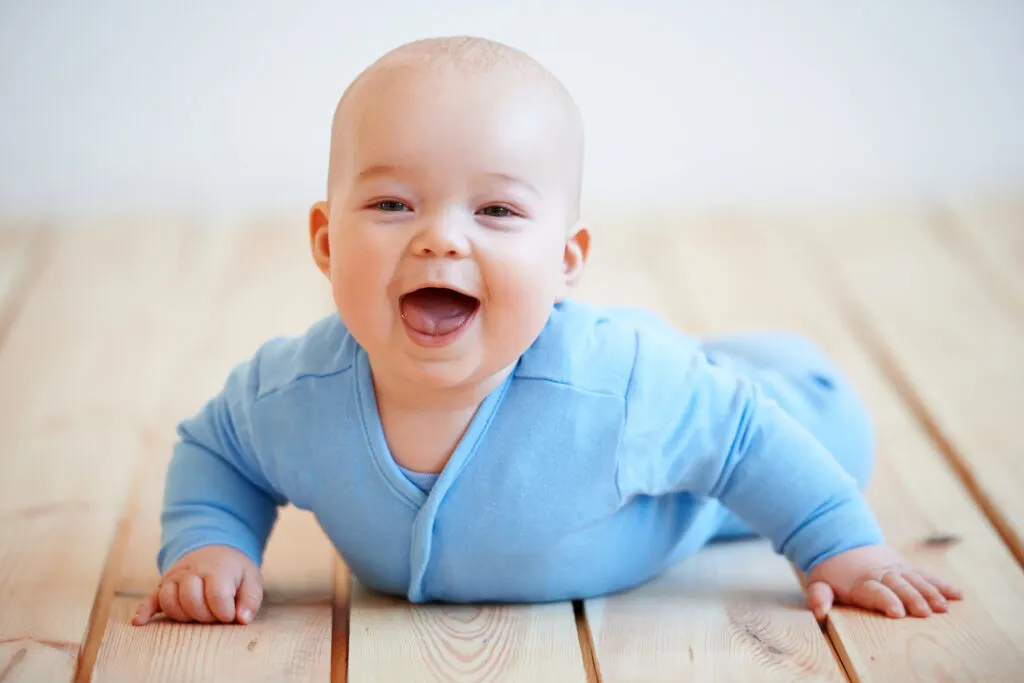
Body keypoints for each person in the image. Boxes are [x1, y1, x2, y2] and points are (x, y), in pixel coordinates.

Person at [133, 36, 962, 627]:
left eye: (495, 210)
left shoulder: (617, 388)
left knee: (813, 425)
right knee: (693, 383)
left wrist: (841, 547)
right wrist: (210, 542)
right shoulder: (293, 395)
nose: (442, 238)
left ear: (566, 260)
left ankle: (746, 362)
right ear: (324, 240)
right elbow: (216, 450)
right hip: (667, 387)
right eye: (392, 203)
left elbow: (747, 438)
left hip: (746, 421)